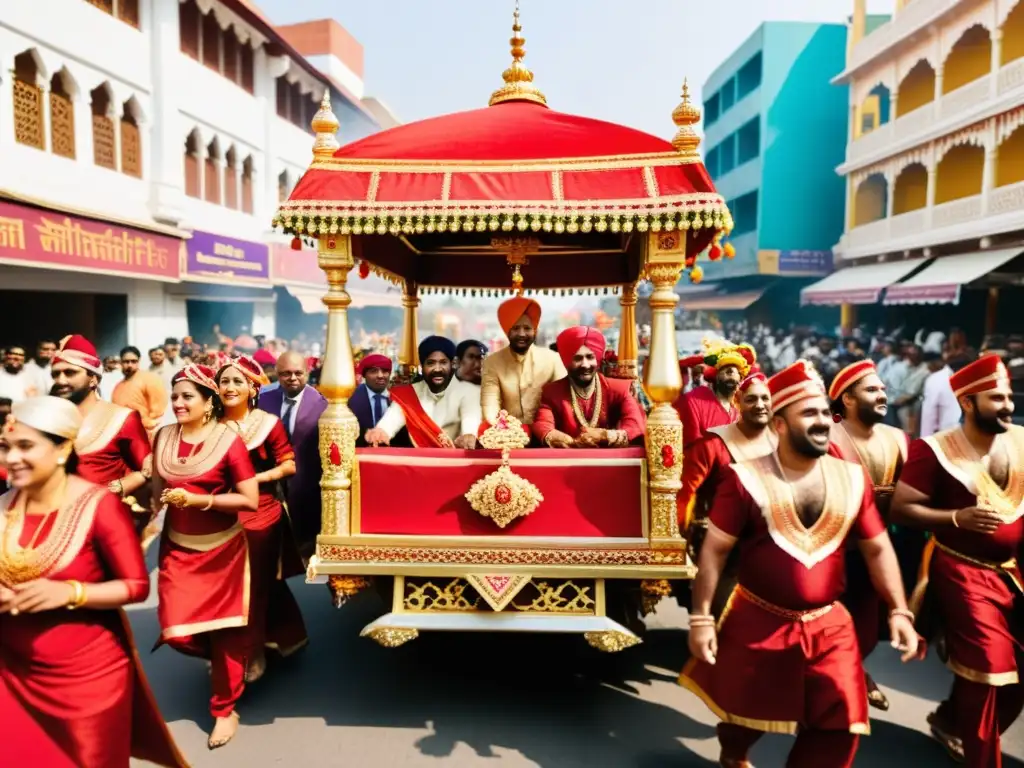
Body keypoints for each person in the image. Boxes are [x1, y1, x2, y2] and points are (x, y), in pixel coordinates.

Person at [679, 360, 919, 768]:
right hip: (758, 619)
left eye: (825, 412)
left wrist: (898, 608)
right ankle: (733, 752)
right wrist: (702, 618)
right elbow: (715, 552)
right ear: (780, 424)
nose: (824, 421)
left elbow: (878, 547)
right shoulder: (744, 479)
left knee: (842, 723)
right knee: (744, 716)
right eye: (809, 413)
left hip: (829, 624)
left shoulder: (853, 479)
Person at [0, 396, 186, 768]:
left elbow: (136, 586)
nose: (11, 458)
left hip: (88, 678)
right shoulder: (3, 506)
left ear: (61, 449)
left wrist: (71, 591)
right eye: (5, 447)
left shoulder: (98, 505)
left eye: (25, 446)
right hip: (11, 672)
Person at [891, 354, 1023, 767]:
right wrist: (954, 518)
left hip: (1015, 573)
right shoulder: (933, 450)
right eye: (996, 398)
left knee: (1017, 676)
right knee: (987, 670)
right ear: (967, 403)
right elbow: (901, 509)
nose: (1008, 405)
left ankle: (951, 722)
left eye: (1008, 396)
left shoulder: (1021, 440)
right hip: (961, 570)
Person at [153, 364, 259, 750]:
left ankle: (224, 710)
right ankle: (227, 663)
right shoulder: (164, 436)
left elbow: (248, 499)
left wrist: (200, 499)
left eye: (187, 397)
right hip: (177, 547)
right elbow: (155, 491)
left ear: (209, 402)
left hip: (223, 551)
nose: (178, 403)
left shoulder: (228, 441)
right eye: (175, 395)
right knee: (176, 630)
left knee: (225, 631)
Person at [216, 356, 308, 683]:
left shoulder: (267, 423)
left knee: (254, 587)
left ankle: (253, 651)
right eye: (224, 381)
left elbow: (289, 465)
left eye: (237, 381)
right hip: (218, 511)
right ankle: (235, 645)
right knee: (220, 587)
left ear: (253, 388)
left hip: (260, 512)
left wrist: (254, 480)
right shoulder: (210, 424)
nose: (230, 387)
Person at [828, 359, 912, 713]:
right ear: (847, 399)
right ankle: (835, 692)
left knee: (865, 629)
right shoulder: (826, 436)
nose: (882, 395)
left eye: (882, 389)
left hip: (878, 550)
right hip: (834, 551)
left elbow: (914, 494)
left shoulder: (898, 438)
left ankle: (852, 673)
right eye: (871, 390)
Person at [678, 373, 775, 588]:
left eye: (765, 399)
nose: (760, 405)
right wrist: (679, 541)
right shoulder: (713, 443)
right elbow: (686, 492)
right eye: (751, 399)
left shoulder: (780, 444)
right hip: (725, 549)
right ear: (737, 403)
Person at [50, 335, 153, 515]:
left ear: (94, 379)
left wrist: (115, 489)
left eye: (70, 372)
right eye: (56, 374)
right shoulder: (47, 420)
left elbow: (147, 471)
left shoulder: (122, 418)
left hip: (104, 522)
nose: (60, 380)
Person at [532, 326, 646, 449]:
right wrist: (565, 440)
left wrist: (604, 435)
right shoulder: (552, 392)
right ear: (567, 361)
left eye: (590, 357)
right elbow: (542, 423)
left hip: (611, 463)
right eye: (578, 358)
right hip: (569, 461)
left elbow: (635, 424)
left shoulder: (619, 389)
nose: (585, 364)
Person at [258, 351, 327, 546]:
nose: (293, 378)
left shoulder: (322, 404)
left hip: (307, 486)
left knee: (305, 544)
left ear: (307, 372)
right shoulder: (263, 400)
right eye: (286, 374)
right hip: (270, 485)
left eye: (298, 373)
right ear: (277, 374)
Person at [366, 336, 481, 449]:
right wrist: (380, 432)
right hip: (421, 462)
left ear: (453, 364)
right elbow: (389, 422)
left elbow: (471, 424)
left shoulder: (469, 392)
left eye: (443, 362)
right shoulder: (410, 393)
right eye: (430, 363)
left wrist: (469, 437)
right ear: (422, 366)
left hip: (457, 464)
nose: (437, 369)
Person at [480, 297, 566, 427]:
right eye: (515, 328)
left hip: (547, 433)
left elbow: (562, 402)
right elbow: (490, 402)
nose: (521, 333)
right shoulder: (492, 362)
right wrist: (501, 430)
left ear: (534, 331)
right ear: (507, 331)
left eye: (527, 328)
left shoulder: (553, 359)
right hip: (507, 435)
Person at [674, 340, 755, 447]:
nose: (730, 370)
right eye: (724, 368)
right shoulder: (694, 401)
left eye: (735, 370)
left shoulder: (742, 411)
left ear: (741, 380)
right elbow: (692, 448)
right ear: (715, 377)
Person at [112, 346, 168, 439]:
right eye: (126, 362)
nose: (130, 365)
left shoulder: (150, 379)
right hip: (124, 436)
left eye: (133, 361)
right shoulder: (118, 387)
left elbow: (160, 410)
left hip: (147, 435)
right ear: (121, 363)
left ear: (139, 361)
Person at [349, 354, 392, 446]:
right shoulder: (350, 399)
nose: (380, 376)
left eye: (385, 371)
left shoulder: (399, 400)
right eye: (373, 371)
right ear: (364, 375)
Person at [920, 351, 962, 438]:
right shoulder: (935, 379)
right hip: (947, 436)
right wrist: (925, 442)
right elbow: (929, 416)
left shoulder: (980, 376)